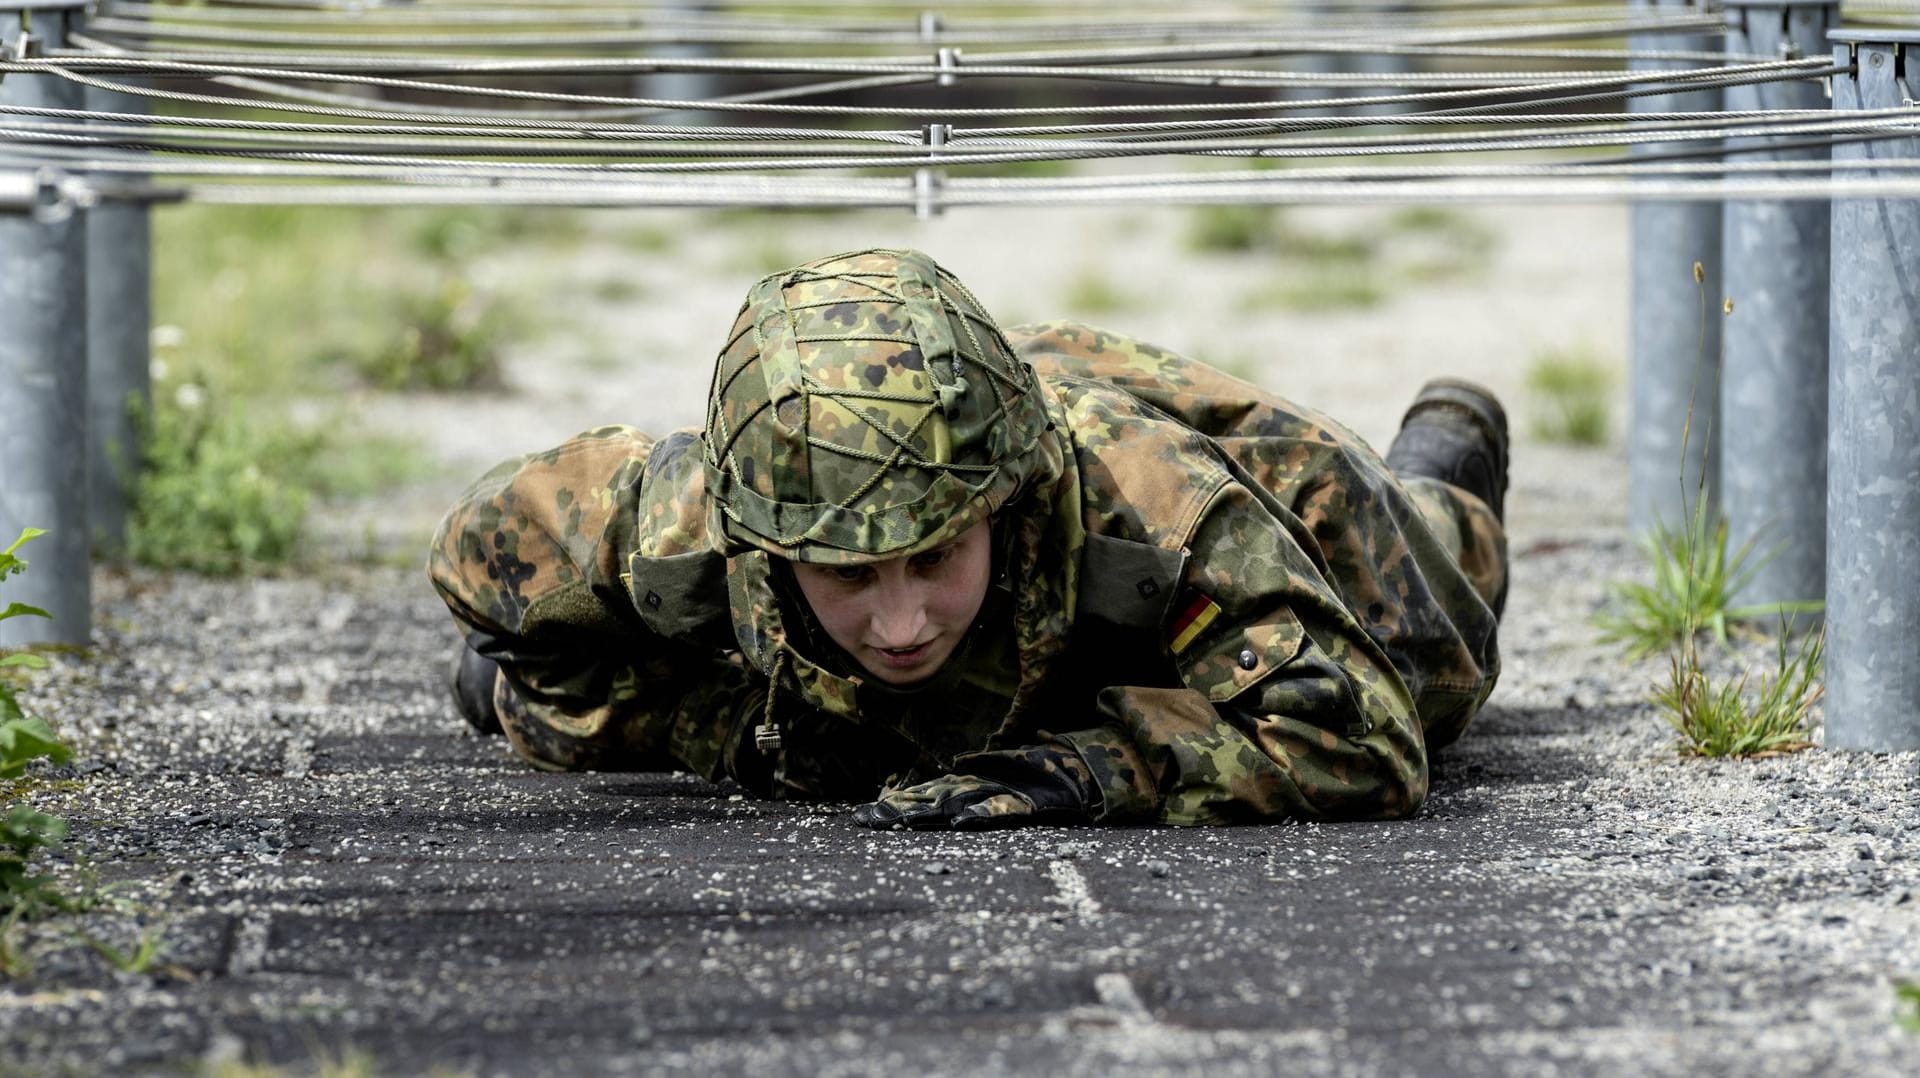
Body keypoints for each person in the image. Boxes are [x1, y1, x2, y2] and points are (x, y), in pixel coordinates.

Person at [429, 247, 1507, 830]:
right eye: (848, 573)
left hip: (1245, 491)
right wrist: (735, 734)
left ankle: (1438, 469)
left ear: (1000, 508)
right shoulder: (699, 512)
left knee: (1429, 660)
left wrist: (1098, 767)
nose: (898, 621)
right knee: (540, 705)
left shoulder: (1155, 503)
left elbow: (1362, 743)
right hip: (955, 446)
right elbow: (478, 556)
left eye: (934, 556)